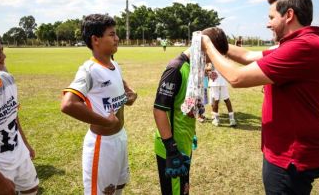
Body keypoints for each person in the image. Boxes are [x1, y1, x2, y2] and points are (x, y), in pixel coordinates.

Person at [202, 0, 319, 194]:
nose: (267, 23)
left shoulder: (302, 47)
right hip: (288, 151)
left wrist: (207, 46)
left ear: (289, 15)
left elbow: (236, 78)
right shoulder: (294, 44)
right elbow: (247, 55)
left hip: (291, 156)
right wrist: (217, 42)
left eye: (271, 17)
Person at [61, 14, 137, 195]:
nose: (117, 38)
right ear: (96, 39)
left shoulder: (114, 65)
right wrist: (104, 121)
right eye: (112, 34)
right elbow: (68, 104)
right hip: (102, 145)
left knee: (118, 188)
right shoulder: (89, 70)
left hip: (120, 138)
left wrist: (130, 95)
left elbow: (123, 86)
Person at [153, 27, 229, 195]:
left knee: (183, 190)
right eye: (213, 54)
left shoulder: (194, 69)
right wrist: (171, 149)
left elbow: (185, 106)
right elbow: (159, 110)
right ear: (205, 46)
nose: (212, 61)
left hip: (184, 144)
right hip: (172, 149)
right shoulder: (176, 68)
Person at [0, 30, 39, 195]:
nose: (3, 56)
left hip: (19, 154)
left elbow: (14, 116)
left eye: (2, 50)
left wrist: (26, 144)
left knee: (32, 189)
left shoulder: (8, 79)